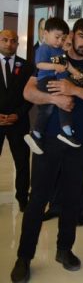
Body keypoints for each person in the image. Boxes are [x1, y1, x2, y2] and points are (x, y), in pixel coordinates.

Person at [10, 18, 83, 283]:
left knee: (71, 199)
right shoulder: (52, 55)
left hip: (79, 143)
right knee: (37, 199)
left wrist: (74, 89)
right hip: (47, 142)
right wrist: (53, 98)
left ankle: (64, 249)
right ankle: (24, 256)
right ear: (72, 35)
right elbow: (29, 93)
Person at [24, 18, 83, 154]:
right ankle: (60, 131)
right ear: (45, 33)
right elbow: (39, 64)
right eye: (57, 37)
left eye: (62, 39)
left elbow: (66, 64)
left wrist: (75, 72)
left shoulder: (59, 51)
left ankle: (47, 132)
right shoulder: (44, 48)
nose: (59, 42)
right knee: (54, 105)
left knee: (56, 106)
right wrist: (54, 66)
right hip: (47, 80)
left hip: (57, 80)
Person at [0, 30, 34, 212]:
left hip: (18, 122)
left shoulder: (27, 67)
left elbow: (30, 96)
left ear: (17, 44)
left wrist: (18, 114)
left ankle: (22, 198)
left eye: (13, 41)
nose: (9, 44)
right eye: (4, 40)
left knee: (22, 162)